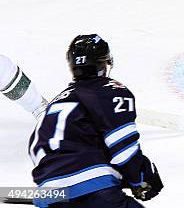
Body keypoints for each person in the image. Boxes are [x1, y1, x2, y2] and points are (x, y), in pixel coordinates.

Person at [28, 34, 163, 207]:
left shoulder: (55, 104)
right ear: (103, 63)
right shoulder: (109, 90)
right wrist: (142, 179)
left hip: (50, 196)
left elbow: (43, 153)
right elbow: (123, 149)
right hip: (95, 192)